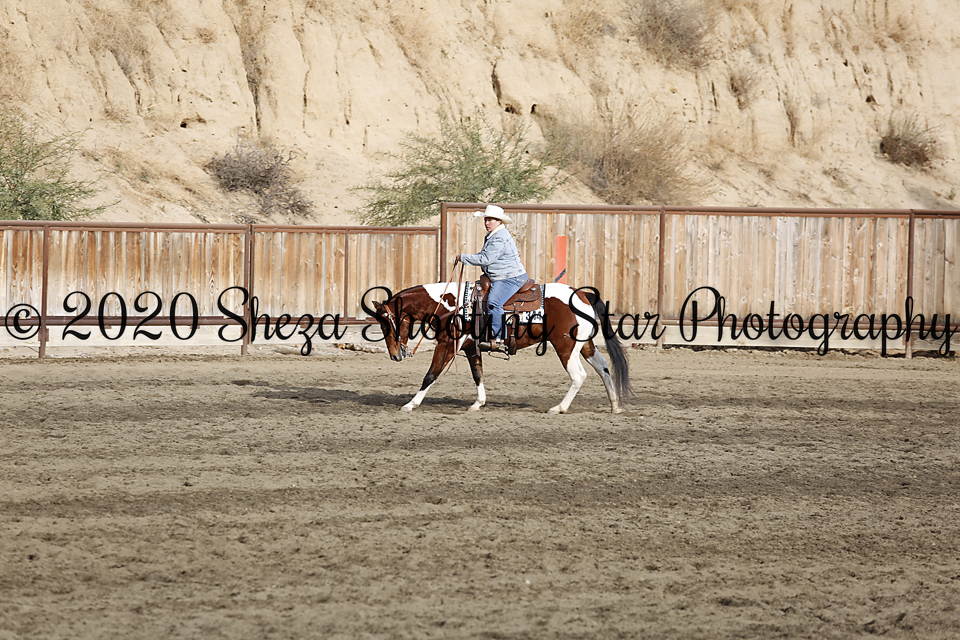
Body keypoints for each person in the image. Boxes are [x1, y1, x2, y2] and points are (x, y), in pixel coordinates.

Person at [454, 204, 528, 352]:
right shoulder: (494, 235)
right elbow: (485, 256)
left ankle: (499, 339)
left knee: (494, 303)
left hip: (509, 277)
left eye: (490, 220)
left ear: (499, 221)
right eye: (486, 220)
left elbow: (486, 259)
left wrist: (463, 257)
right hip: (501, 276)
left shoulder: (499, 238)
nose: (487, 223)